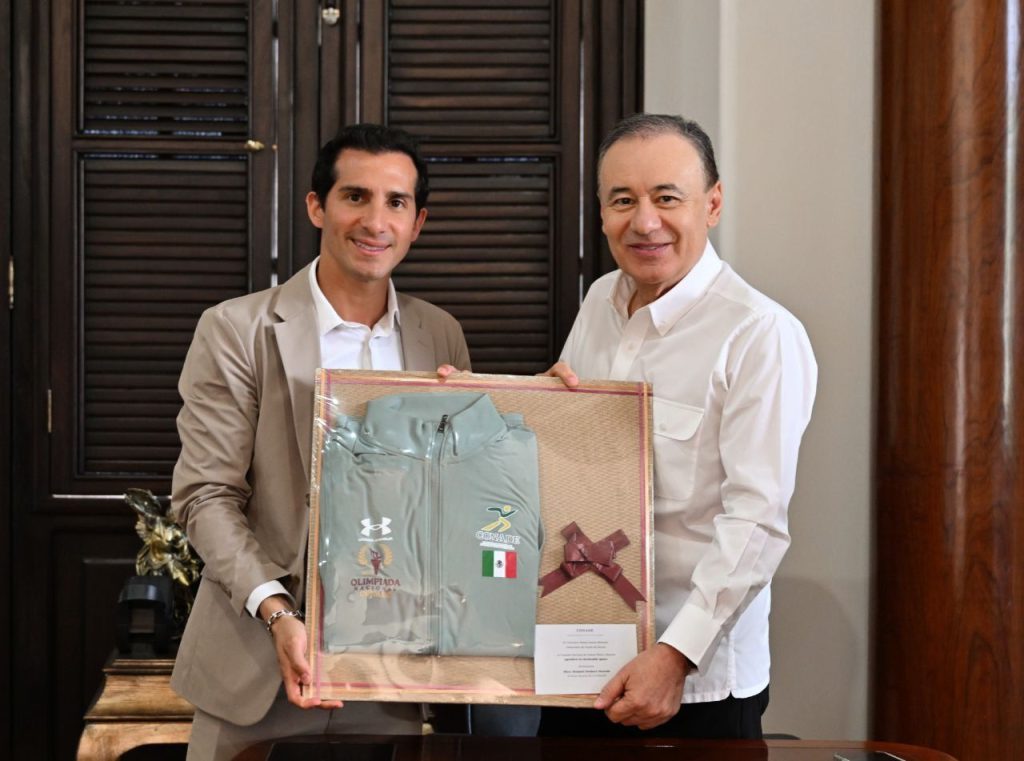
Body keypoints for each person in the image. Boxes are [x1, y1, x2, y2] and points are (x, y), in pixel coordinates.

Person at [170, 124, 471, 761]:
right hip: (256, 665)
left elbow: (461, 494)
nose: (375, 222)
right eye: (355, 197)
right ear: (317, 206)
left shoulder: (440, 334)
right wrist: (278, 613)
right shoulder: (236, 328)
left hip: (389, 674)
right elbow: (205, 497)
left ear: (417, 223)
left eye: (396, 203)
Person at [540, 114, 817, 739]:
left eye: (667, 198)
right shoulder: (600, 301)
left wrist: (675, 656)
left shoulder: (760, 334)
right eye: (622, 201)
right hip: (579, 655)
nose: (644, 222)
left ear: (712, 204)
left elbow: (756, 522)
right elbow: (574, 458)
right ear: (602, 212)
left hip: (694, 684)